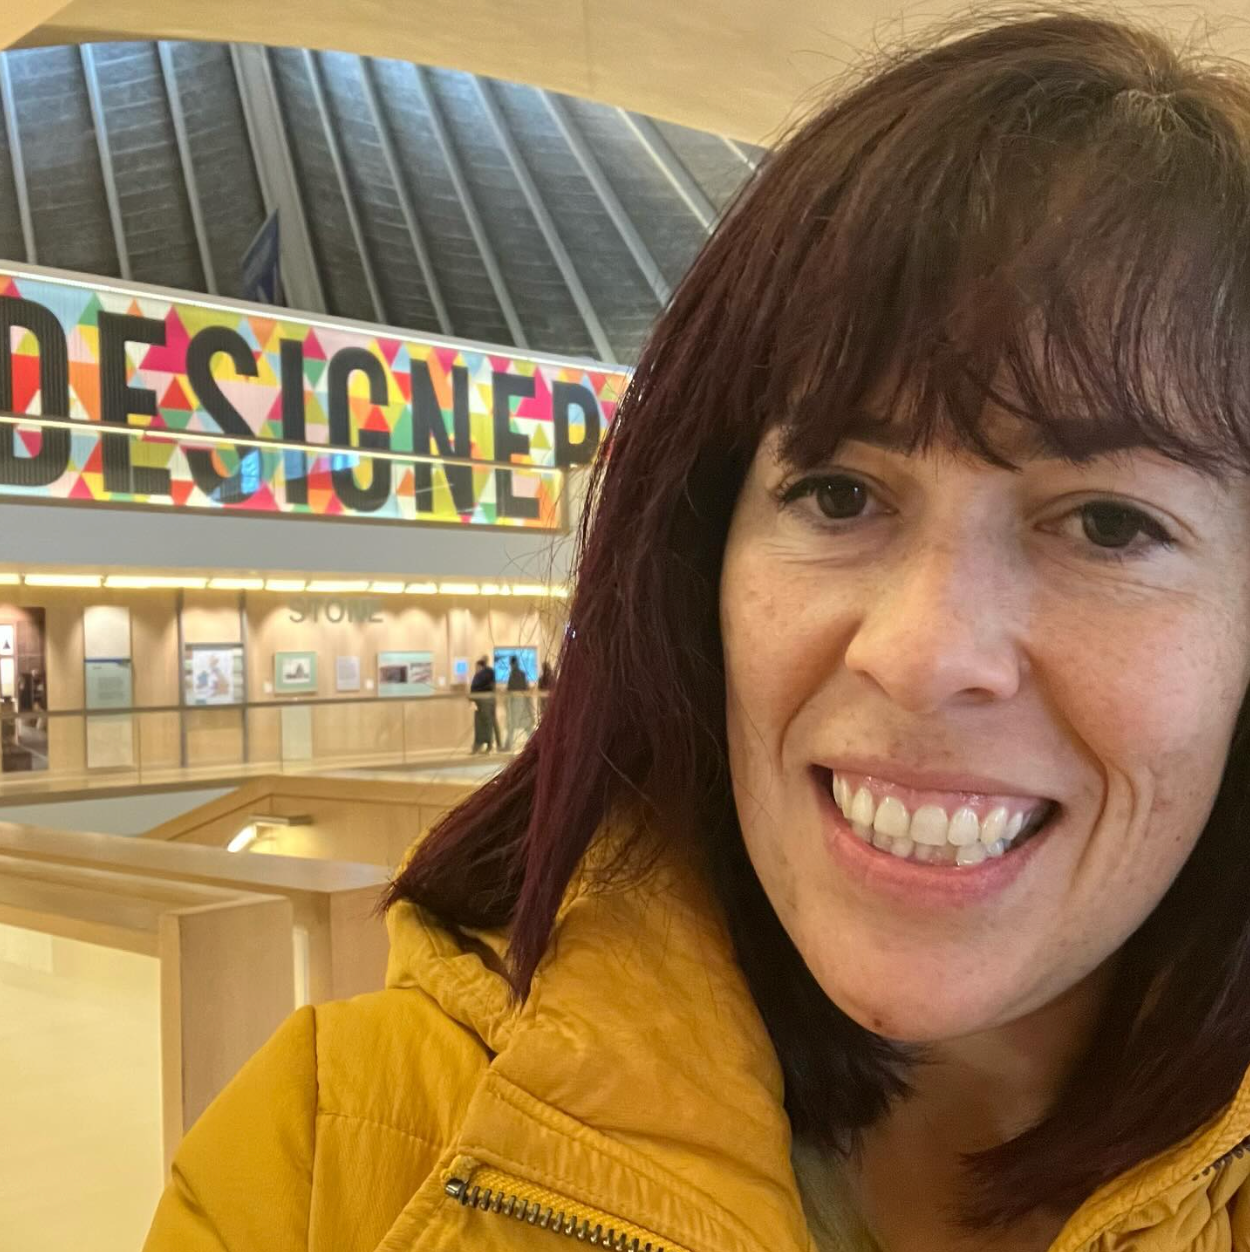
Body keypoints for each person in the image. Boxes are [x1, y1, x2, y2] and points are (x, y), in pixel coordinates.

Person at [145, 13, 1250, 1251]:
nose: (922, 649)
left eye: (1105, 523)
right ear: (695, 558)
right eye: (838, 494)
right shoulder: (323, 1161)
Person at [504, 655, 535, 750]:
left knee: (512, 725)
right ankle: (533, 744)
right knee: (526, 726)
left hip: (515, 703)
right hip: (523, 702)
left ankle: (508, 746)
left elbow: (510, 689)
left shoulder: (513, 674)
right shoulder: (522, 674)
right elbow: (526, 687)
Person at [467, 655, 497, 753]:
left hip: (483, 701)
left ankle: (484, 745)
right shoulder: (489, 673)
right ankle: (485, 745)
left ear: (480, 666)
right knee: (484, 723)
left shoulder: (482, 674)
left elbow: (475, 687)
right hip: (484, 701)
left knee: (483, 723)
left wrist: (471, 699)